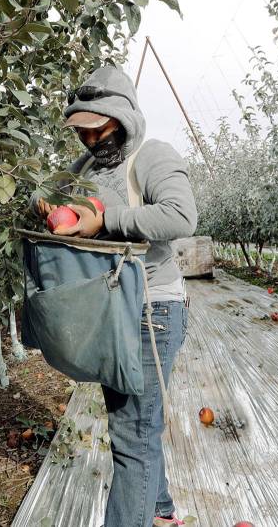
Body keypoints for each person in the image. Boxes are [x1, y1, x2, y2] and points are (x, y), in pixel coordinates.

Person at [34, 66, 197, 527]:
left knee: (132, 436)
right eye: (80, 132)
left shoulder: (151, 156)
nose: (88, 140)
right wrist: (45, 204)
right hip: (111, 310)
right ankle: (161, 510)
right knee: (136, 426)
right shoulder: (83, 169)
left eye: (97, 128)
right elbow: (44, 194)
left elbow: (181, 217)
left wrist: (104, 220)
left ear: (122, 117)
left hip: (152, 311)